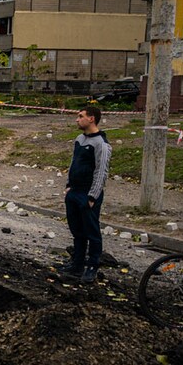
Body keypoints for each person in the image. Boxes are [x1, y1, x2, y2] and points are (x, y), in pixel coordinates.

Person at [61, 106, 112, 283]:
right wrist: (68, 185)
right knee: (77, 230)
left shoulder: (101, 144)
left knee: (92, 231)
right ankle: (77, 263)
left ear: (91, 119)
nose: (77, 119)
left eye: (80, 116)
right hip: (74, 191)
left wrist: (93, 196)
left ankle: (92, 266)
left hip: (87, 194)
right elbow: (73, 162)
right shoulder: (79, 139)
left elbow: (101, 172)